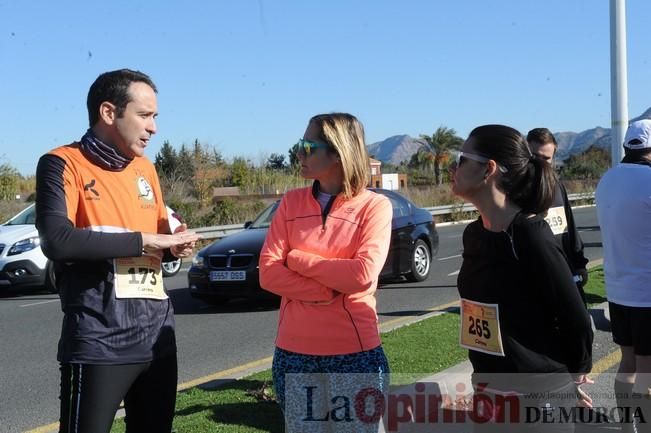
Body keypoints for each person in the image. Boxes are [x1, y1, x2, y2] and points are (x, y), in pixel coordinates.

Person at [35, 69, 200, 433]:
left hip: (158, 338)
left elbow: (159, 237)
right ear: (109, 113)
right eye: (144, 115)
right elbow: (58, 240)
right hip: (100, 340)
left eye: (155, 116)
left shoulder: (146, 168)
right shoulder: (61, 163)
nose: (153, 127)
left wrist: (175, 245)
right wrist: (146, 240)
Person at [450, 125, 593, 432]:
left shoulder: (531, 235)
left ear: (489, 169)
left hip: (536, 396)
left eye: (461, 159)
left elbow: (576, 319)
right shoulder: (475, 234)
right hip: (488, 389)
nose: (453, 167)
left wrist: (570, 381)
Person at [259, 113, 392, 432]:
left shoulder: (374, 207)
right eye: (299, 145)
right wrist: (326, 290)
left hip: (354, 353)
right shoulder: (290, 203)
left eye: (308, 146)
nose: (299, 154)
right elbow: (268, 273)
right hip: (294, 354)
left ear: (338, 152)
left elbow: (361, 275)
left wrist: (299, 260)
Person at [596, 118, 651, 433]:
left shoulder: (607, 179)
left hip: (618, 291)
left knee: (627, 362)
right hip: (647, 291)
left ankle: (626, 425)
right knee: (647, 368)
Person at [527, 128, 589, 296]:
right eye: (534, 157)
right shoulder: (514, 192)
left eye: (546, 158)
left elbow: (569, 227)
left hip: (564, 273)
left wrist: (580, 264)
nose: (540, 162)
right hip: (532, 279)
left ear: (553, 157)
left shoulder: (557, 186)